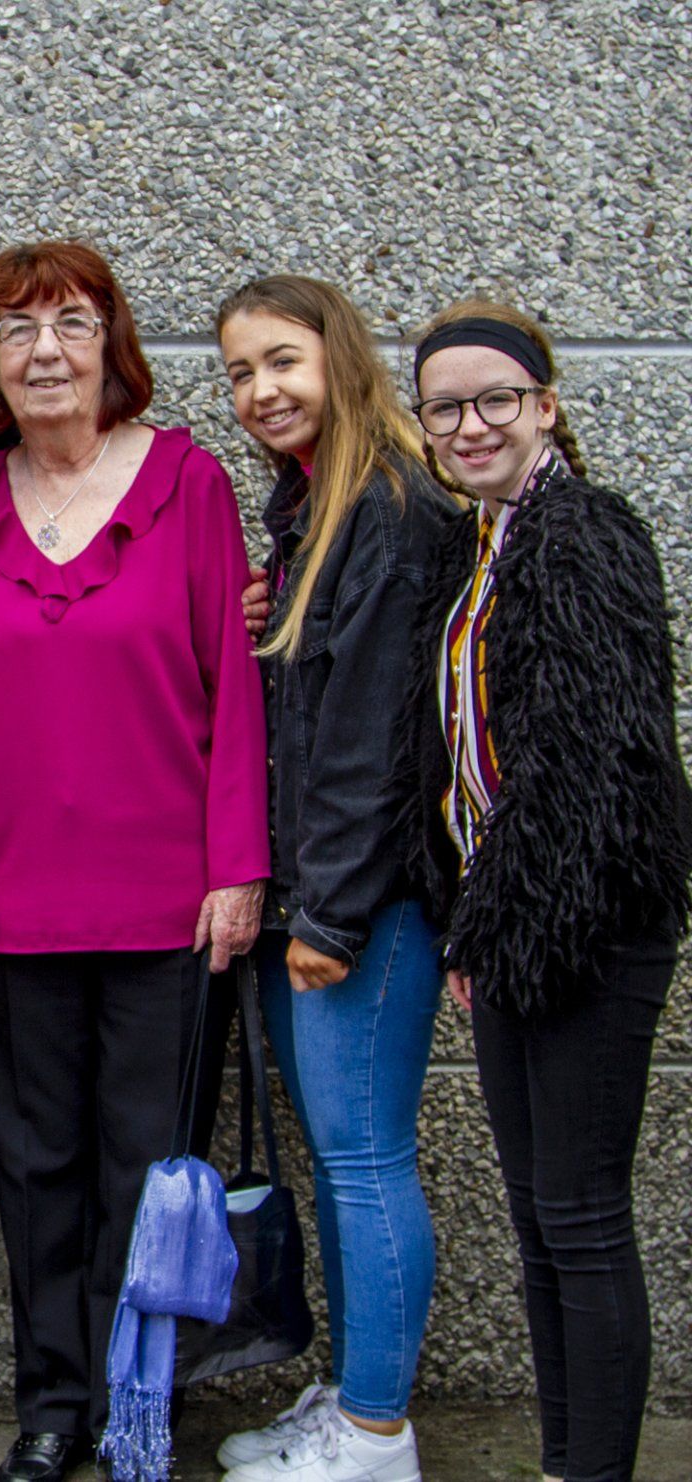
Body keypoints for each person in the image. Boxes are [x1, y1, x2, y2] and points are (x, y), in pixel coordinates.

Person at [0, 240, 268, 1482]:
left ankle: (136, 1407)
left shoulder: (191, 483)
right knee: (40, 1171)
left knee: (145, 1171)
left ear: (113, 343)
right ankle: (53, 1410)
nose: (45, 350)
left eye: (71, 322)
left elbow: (231, 689)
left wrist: (238, 867)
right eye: (16, 330)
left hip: (170, 903)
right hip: (15, 910)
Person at [398, 301, 691, 1482]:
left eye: (495, 400)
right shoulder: (481, 547)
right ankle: (570, 1462)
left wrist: (497, 928)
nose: (472, 424)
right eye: (446, 407)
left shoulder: (584, 538)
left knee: (579, 1216)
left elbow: (582, 769)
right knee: (537, 1221)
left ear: (546, 406)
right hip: (509, 927)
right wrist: (477, 925)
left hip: (585, 928)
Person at [210, 276, 458, 1482]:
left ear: (340, 358)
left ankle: (374, 1435)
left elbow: (372, 740)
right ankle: (359, 1401)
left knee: (366, 1158)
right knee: (346, 1155)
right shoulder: (321, 510)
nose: (261, 393)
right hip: (336, 889)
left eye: (282, 363)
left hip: (371, 900)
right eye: (241, 375)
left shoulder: (391, 510)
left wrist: (332, 915)